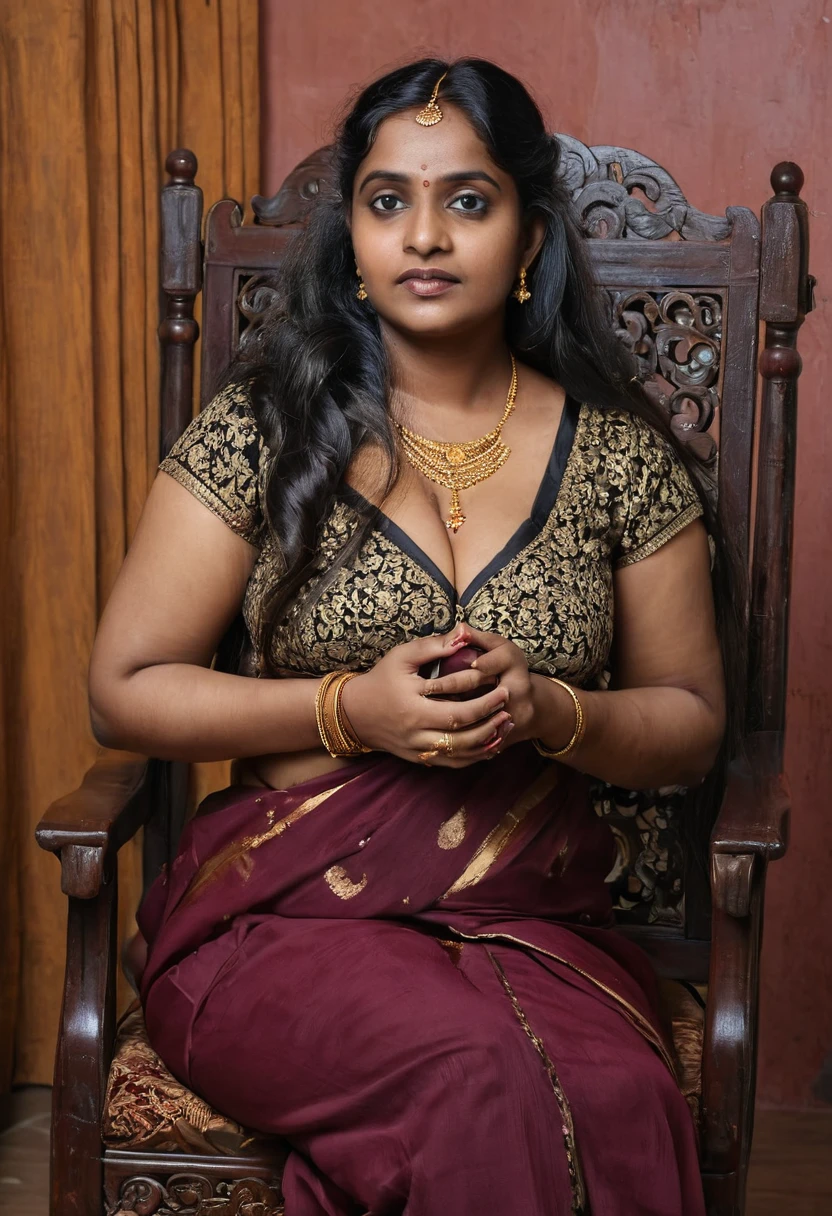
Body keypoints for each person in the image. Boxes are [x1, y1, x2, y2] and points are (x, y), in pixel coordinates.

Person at [89, 57, 729, 1216]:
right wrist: (346, 709)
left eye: (466, 201)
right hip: (280, 921)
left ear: (530, 237)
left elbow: (687, 726)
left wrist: (553, 712)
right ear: (353, 233)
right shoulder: (264, 426)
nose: (424, 236)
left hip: (527, 919)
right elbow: (122, 690)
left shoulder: (618, 455)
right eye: (389, 201)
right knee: (474, 1075)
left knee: (614, 1094)